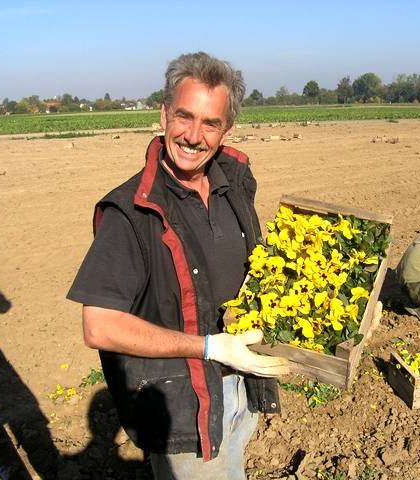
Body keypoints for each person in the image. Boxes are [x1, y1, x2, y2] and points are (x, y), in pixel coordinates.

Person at [67, 52, 289, 480]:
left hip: (242, 381)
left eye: (210, 123)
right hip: (186, 401)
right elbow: (100, 326)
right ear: (163, 114)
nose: (193, 136)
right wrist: (209, 347)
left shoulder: (234, 184)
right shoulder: (133, 212)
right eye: (184, 117)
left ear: (227, 130)